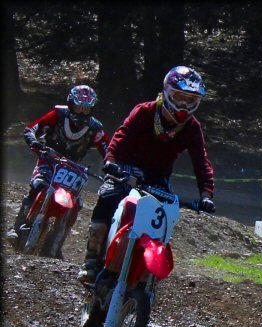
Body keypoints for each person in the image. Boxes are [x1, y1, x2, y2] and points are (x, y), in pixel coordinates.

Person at [76, 66, 216, 285]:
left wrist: (206, 194)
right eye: (180, 97)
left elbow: (201, 160)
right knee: (108, 197)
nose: (184, 105)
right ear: (168, 92)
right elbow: (122, 135)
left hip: (157, 179)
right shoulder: (145, 111)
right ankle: (91, 261)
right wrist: (111, 161)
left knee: (165, 218)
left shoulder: (191, 127)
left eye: (191, 100)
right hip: (125, 168)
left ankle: (147, 276)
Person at [6, 85, 109, 244]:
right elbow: (31, 129)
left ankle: (58, 242)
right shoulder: (58, 115)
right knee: (38, 185)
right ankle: (17, 225)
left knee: (76, 202)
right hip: (49, 160)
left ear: (92, 109)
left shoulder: (96, 128)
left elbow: (108, 151)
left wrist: (111, 165)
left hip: (74, 168)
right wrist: (36, 143)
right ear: (70, 104)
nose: (81, 112)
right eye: (78, 107)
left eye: (85, 109)